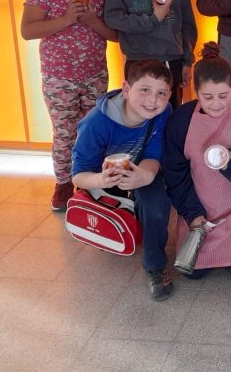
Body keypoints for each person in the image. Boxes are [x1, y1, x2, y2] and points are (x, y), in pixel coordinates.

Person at [20, 0, 118, 211]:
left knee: (94, 131)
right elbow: (27, 31)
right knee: (64, 133)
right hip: (58, 78)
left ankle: (90, 183)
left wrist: (91, 20)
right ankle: (63, 183)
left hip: (95, 75)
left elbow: (116, 35)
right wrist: (66, 19)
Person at [71, 60, 174, 300]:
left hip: (141, 169)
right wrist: (101, 180)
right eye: (144, 90)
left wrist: (145, 176)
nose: (153, 100)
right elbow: (79, 174)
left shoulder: (163, 113)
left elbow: (153, 153)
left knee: (156, 204)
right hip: (103, 178)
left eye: (161, 93)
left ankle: (155, 264)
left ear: (169, 95)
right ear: (126, 89)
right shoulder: (96, 123)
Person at [162, 42, 231, 282]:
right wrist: (192, 214)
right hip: (200, 211)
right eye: (207, 97)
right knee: (193, 274)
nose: (216, 103)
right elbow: (175, 175)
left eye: (223, 96)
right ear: (196, 92)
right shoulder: (181, 120)